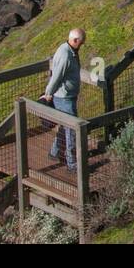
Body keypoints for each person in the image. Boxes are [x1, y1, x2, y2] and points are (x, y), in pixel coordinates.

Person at [40, 28, 84, 172]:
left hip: (65, 96)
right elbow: (57, 76)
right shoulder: (66, 55)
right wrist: (48, 93)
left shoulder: (65, 48)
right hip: (65, 97)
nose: (82, 45)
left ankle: (55, 151)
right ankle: (71, 164)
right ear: (75, 40)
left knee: (64, 126)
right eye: (81, 42)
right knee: (71, 129)